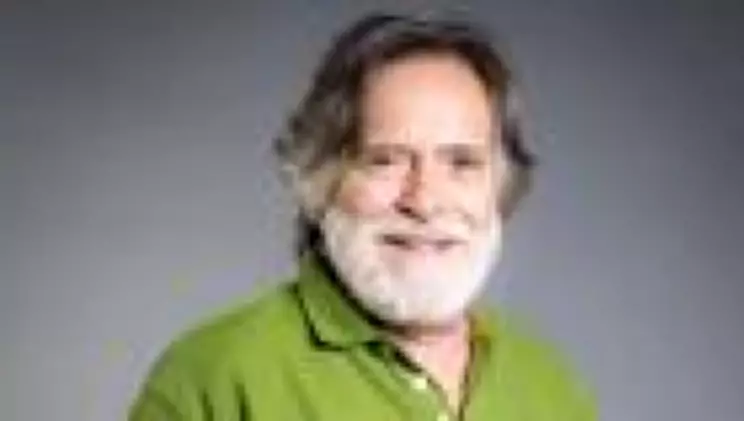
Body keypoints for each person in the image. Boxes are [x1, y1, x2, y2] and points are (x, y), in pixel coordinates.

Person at [129, 12, 596, 421]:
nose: (425, 201)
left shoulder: (548, 383)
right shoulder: (213, 377)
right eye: (385, 160)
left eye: (462, 162)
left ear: (500, 187)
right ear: (319, 177)